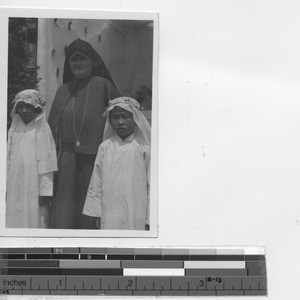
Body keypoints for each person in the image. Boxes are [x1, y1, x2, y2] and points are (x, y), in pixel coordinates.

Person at [48, 38, 120, 229]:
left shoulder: (103, 85)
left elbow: (121, 114)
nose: (78, 63)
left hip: (95, 158)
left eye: (83, 59)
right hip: (67, 160)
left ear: (92, 62)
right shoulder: (63, 90)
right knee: (66, 209)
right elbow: (52, 128)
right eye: (73, 60)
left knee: (91, 207)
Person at [82, 97, 151, 230]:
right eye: (116, 117)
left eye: (125, 117)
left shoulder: (144, 148)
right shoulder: (105, 147)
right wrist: (96, 212)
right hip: (110, 211)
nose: (120, 122)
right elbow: (96, 182)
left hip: (137, 210)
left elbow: (151, 184)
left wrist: (150, 218)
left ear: (135, 119)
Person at [6, 89, 58, 228]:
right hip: (14, 181)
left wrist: (45, 191)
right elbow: (8, 158)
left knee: (34, 216)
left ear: (37, 108)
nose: (23, 111)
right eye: (20, 106)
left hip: (33, 183)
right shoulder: (14, 129)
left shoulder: (42, 128)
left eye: (27, 106)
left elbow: (47, 162)